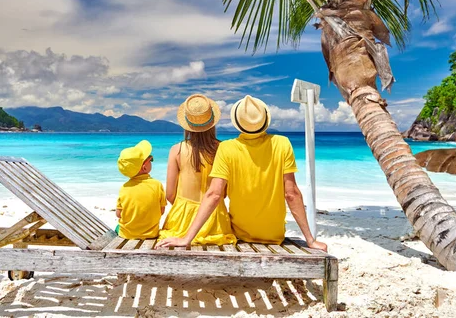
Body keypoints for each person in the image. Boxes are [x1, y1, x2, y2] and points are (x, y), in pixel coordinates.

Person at [157, 95, 327, 252]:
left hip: (229, 229)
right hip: (264, 232)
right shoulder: (281, 144)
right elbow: (292, 194)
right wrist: (310, 240)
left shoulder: (222, 148)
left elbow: (199, 194)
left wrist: (187, 237)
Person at [159, 94, 236, 245]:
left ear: (187, 125)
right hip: (215, 220)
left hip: (182, 221)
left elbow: (170, 195)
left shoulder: (177, 150)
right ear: (212, 123)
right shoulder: (224, 149)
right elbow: (225, 192)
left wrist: (187, 208)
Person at [116, 140, 166, 239]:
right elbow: (162, 211)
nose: (151, 161)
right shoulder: (157, 185)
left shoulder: (125, 188)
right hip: (151, 234)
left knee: (118, 227)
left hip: (127, 235)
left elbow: (118, 214)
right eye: (150, 159)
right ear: (144, 167)